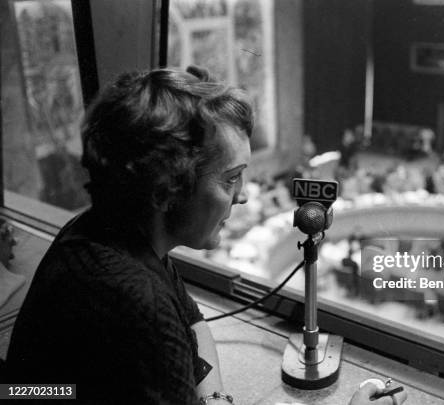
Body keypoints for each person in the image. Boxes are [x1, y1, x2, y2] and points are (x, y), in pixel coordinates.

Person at [5, 67, 406, 405]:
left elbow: (193, 323)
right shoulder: (133, 299)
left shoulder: (109, 231)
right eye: (231, 178)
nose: (245, 194)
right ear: (166, 188)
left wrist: (213, 401)